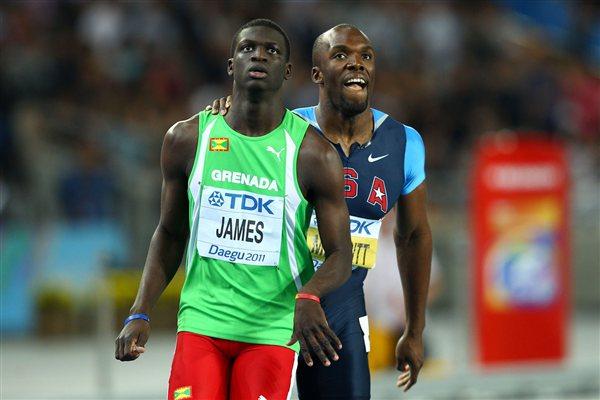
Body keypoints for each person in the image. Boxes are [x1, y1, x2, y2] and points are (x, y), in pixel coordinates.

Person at [114, 19, 353, 400]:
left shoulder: (313, 154)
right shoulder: (188, 139)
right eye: (247, 48)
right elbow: (170, 233)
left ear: (287, 72)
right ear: (231, 65)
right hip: (202, 323)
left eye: (271, 50)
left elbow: (341, 254)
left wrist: (310, 296)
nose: (258, 55)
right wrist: (140, 311)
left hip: (271, 331)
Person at [209, 24, 433, 399]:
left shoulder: (405, 142)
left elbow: (413, 236)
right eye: (341, 55)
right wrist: (226, 112)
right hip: (267, 310)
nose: (355, 64)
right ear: (316, 74)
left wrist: (414, 330)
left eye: (366, 56)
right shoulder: (281, 131)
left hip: (341, 313)